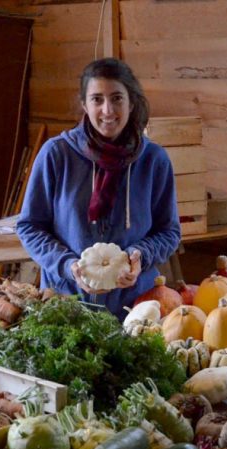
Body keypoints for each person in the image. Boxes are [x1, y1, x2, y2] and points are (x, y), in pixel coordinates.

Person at [17, 58, 181, 319]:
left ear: (131, 102)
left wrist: (141, 255)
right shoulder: (56, 155)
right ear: (84, 104)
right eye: (97, 99)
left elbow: (169, 231)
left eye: (117, 98)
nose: (108, 110)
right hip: (65, 303)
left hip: (135, 309)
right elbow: (30, 227)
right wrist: (67, 265)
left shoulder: (154, 160)